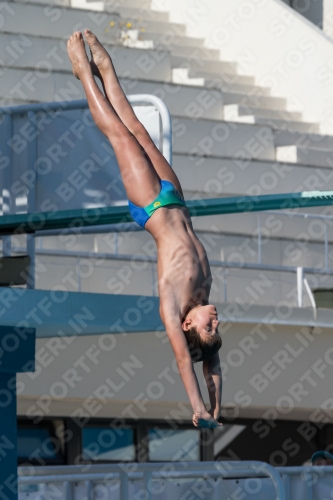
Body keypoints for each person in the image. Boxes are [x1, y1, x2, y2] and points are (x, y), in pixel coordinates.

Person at [67, 30, 222, 429]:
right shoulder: (204, 295)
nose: (215, 319)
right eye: (215, 325)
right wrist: (218, 407)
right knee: (137, 128)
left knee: (119, 134)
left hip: (151, 204)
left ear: (188, 325)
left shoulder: (173, 308)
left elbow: (187, 360)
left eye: (209, 325)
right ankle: (106, 68)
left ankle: (85, 73)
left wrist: (198, 408)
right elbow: (212, 362)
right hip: (176, 198)